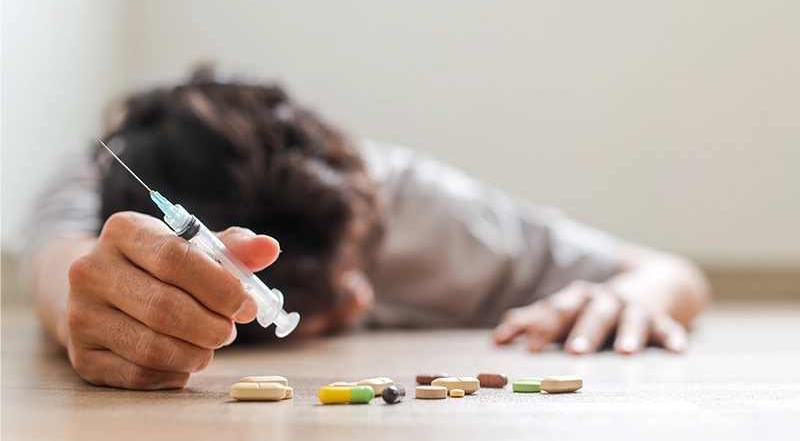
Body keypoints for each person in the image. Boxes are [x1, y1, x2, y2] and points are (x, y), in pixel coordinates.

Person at [21, 67, 710, 390]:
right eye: (316, 312)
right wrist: (106, 299)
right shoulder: (89, 188)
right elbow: (67, 269)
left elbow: (668, 272)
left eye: (359, 270)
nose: (355, 302)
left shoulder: (414, 199)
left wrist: (637, 300)